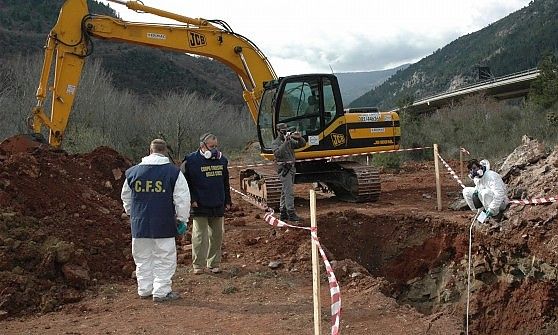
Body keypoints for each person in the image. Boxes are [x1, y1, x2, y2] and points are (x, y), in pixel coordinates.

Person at [121, 139, 191, 302]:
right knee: (164, 258)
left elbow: (126, 196)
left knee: (142, 258)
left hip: (139, 225)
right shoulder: (173, 172)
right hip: (163, 223)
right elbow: (182, 198)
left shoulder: (132, 172)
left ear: (150, 150)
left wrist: (133, 214)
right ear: (165, 151)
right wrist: (182, 220)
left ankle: (145, 289)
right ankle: (161, 291)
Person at [181, 133, 232, 275]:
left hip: (217, 203)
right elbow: (184, 183)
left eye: (216, 146)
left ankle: (214, 263)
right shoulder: (190, 161)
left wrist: (227, 200)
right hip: (200, 204)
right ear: (202, 146)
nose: (214, 149)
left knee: (217, 235)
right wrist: (192, 199)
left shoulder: (222, 160)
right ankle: (198, 265)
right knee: (199, 236)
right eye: (211, 146)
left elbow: (225, 182)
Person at [271, 123, 306, 222]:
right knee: (289, 192)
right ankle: (291, 213)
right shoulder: (276, 143)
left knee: (284, 191)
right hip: (284, 170)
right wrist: (285, 142)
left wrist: (299, 138)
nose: (285, 133)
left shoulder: (290, 141)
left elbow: (301, 144)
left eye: (286, 130)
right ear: (278, 131)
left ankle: (283, 212)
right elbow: (277, 154)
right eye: (283, 131)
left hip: (291, 169)